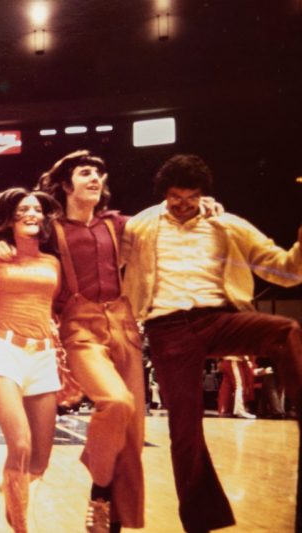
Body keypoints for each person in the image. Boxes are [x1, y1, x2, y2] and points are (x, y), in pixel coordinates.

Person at [121, 153, 302, 532]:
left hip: (219, 319)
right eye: (175, 197)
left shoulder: (228, 225)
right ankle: (202, 522)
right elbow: (109, 259)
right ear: (163, 195)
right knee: (184, 432)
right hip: (167, 329)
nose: (184, 205)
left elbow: (282, 271)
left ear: (203, 194)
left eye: (191, 197)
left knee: (286, 331)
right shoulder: (140, 227)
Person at [0, 150, 145, 532]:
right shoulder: (51, 231)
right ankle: (99, 493)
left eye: (100, 173)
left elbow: (163, 220)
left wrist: (206, 206)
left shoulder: (118, 224)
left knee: (132, 430)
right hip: (80, 325)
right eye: (86, 172)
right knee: (116, 401)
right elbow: (20, 238)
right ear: (65, 184)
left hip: (124, 323)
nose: (96, 178)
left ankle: (105, 503)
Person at [0, 188, 62, 532]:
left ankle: (11, 489)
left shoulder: (52, 262)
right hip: (3, 352)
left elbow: (54, 306)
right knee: (21, 443)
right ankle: (21, 527)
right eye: (22, 209)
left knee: (40, 462)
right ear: (9, 218)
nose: (31, 213)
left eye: (37, 209)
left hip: (43, 356)